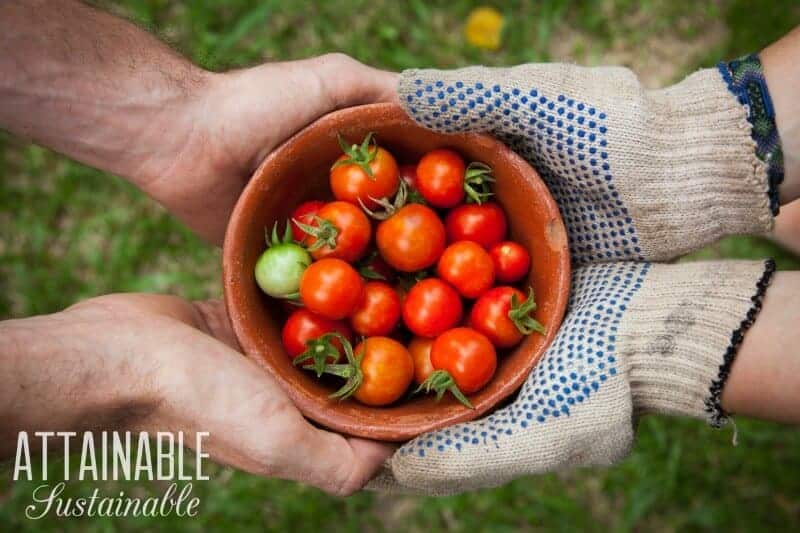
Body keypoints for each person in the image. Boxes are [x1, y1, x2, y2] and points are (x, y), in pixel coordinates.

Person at [0, 0, 797, 496]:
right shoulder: (378, 285)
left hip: (449, 285)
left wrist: (700, 145)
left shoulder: (384, 258)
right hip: (443, 297)